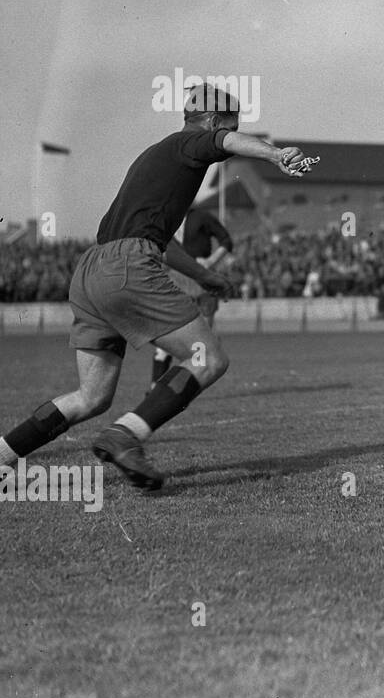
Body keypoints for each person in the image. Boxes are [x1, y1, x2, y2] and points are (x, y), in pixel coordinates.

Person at [0, 85, 316, 491]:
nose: (234, 133)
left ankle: (3, 456)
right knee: (208, 358)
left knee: (91, 396)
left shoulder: (158, 156)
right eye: (233, 124)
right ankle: (125, 435)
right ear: (213, 120)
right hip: (128, 267)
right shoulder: (191, 142)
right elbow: (224, 141)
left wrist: (203, 276)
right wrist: (275, 154)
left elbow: (159, 241)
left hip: (92, 269)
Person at [150, 204, 234, 386]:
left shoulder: (201, 216)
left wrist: (211, 261)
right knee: (168, 334)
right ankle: (155, 386)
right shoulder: (165, 220)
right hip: (175, 278)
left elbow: (227, 240)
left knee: (203, 341)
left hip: (201, 279)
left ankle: (192, 383)